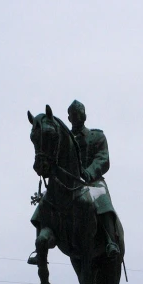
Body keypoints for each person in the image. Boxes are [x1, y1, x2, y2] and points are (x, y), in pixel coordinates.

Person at [27, 99, 120, 265]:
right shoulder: (64, 137)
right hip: (68, 182)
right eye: (72, 115)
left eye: (79, 114)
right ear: (69, 118)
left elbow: (103, 159)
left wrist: (89, 173)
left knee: (103, 199)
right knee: (44, 203)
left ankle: (110, 240)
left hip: (92, 181)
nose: (76, 117)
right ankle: (39, 249)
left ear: (84, 116)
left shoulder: (97, 136)